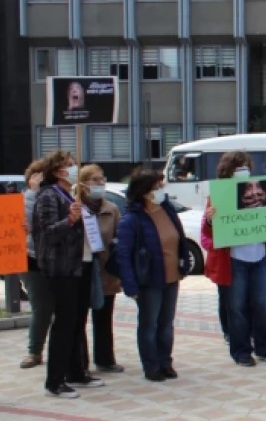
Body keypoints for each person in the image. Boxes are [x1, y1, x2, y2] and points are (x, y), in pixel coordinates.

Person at [33, 151, 105, 398]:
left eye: (75, 164)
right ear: (56, 171)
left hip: (81, 263)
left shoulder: (73, 193)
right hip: (61, 268)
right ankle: (55, 380)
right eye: (69, 166)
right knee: (64, 323)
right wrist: (70, 220)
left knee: (77, 321)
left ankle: (76, 371)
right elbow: (49, 233)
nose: (74, 169)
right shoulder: (49, 196)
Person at [201, 152, 266, 367]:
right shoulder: (218, 195)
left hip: (259, 257)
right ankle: (241, 351)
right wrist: (210, 219)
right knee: (236, 307)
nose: (244, 170)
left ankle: (264, 347)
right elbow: (207, 233)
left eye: (246, 166)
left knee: (262, 304)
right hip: (234, 260)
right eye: (239, 167)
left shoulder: (261, 190)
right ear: (228, 171)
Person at [116, 171, 191, 381]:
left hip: (171, 277)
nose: (162, 191)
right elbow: (123, 255)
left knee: (166, 324)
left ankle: (165, 362)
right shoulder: (132, 220)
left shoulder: (167, 211)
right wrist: (130, 286)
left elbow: (180, 240)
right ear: (146, 193)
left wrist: (183, 264)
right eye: (157, 187)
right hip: (149, 281)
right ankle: (151, 366)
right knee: (150, 324)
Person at [77, 165, 124, 375]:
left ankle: (105, 359)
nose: (100, 183)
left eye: (102, 179)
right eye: (95, 180)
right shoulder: (75, 207)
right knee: (79, 319)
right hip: (80, 270)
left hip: (105, 271)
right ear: (84, 184)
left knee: (104, 318)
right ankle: (80, 363)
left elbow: (119, 238)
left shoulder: (111, 209)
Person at [20, 161, 52, 369]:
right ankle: (34, 350)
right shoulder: (25, 198)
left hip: (57, 259)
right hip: (32, 259)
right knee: (41, 308)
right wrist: (33, 192)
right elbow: (29, 222)